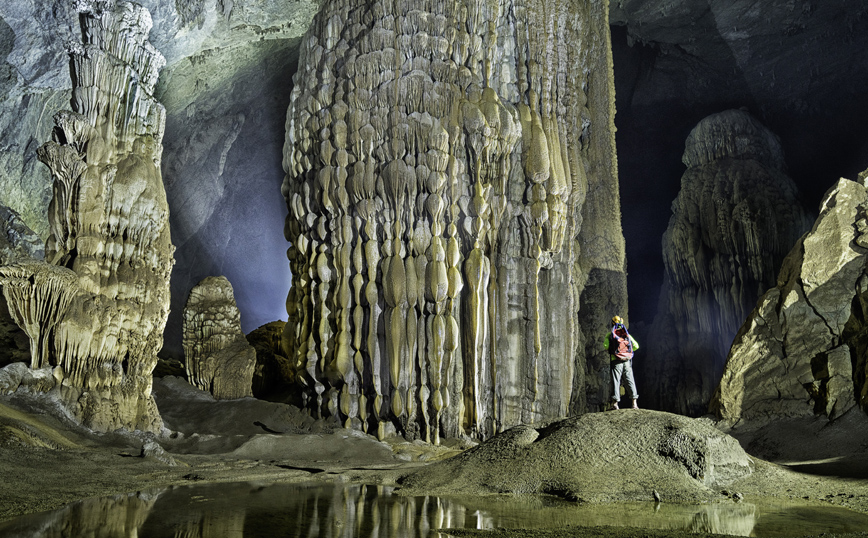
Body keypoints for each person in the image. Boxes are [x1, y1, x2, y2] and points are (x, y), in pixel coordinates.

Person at [603, 315, 639, 410]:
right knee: (629, 380)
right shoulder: (627, 335)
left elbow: (605, 346)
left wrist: (614, 350)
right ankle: (634, 403)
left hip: (616, 361)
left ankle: (615, 404)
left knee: (616, 381)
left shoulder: (610, 335)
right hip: (627, 361)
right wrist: (627, 353)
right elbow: (636, 346)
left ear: (612, 323)